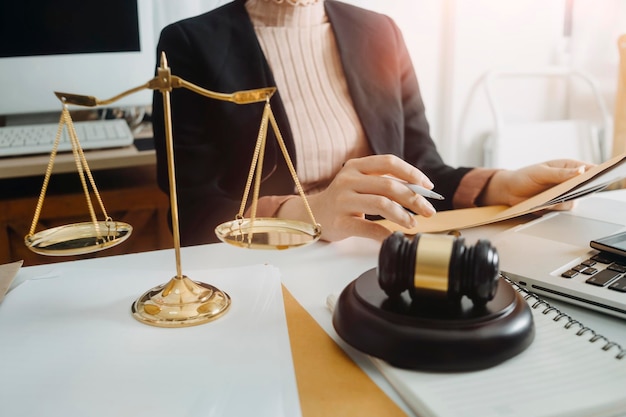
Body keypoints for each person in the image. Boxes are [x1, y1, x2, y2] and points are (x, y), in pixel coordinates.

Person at [152, 0, 589, 246]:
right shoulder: (189, 44)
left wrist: (502, 186)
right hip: (267, 269)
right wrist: (310, 215)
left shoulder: (380, 32)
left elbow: (420, 170)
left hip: (379, 254)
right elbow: (192, 214)